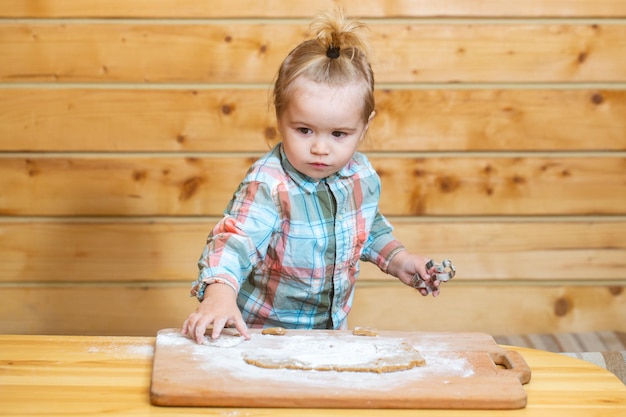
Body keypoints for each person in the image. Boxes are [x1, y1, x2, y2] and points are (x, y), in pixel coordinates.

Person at [182, 8, 442, 344]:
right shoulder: (270, 185)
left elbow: (366, 227)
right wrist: (218, 295)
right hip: (261, 335)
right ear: (280, 118)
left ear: (364, 126)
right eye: (304, 130)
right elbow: (235, 242)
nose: (320, 148)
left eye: (339, 134)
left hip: (329, 334)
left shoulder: (360, 175)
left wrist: (399, 259)